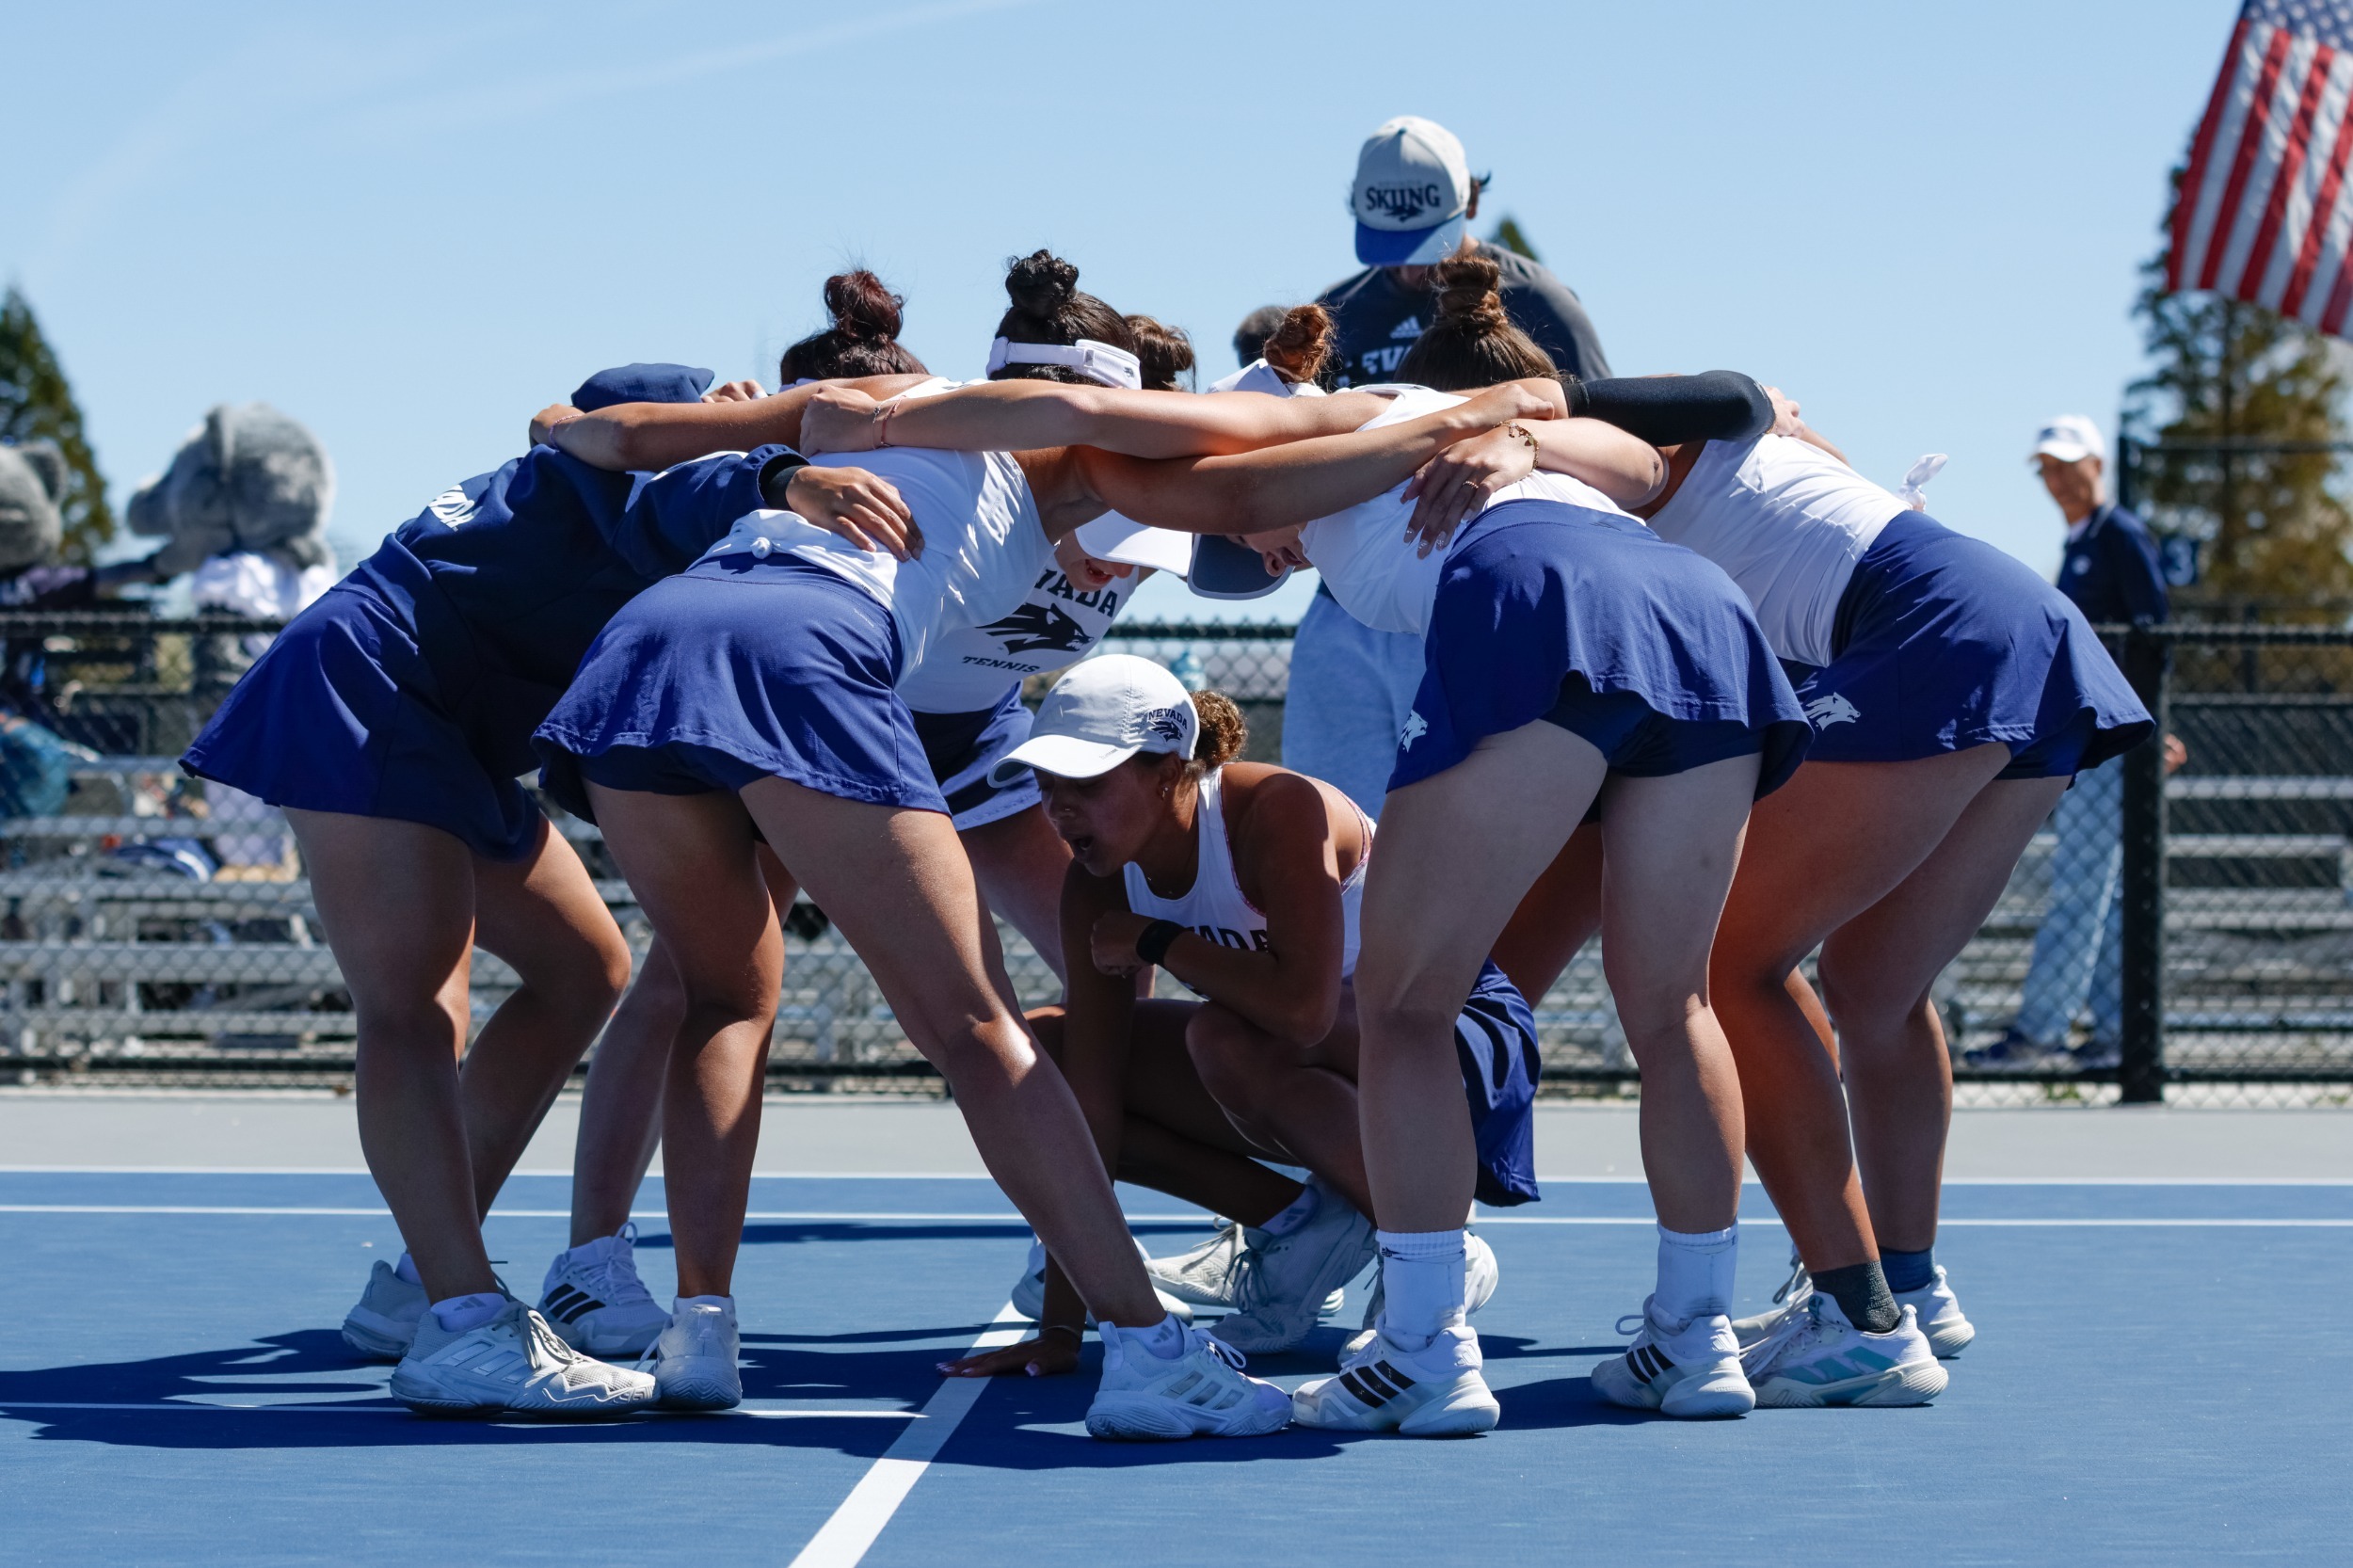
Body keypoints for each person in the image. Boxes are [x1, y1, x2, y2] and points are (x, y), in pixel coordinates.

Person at [527, 249, 1527, 1437]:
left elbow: (611, 433)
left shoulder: (924, 437)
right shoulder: (1037, 439)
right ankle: (1148, 1349)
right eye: (1153, 439)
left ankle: (699, 1332)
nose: (1157, 476)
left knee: (719, 1000)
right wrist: (1468, 414)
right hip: (809, 664)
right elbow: (1251, 468)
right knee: (978, 1029)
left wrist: (631, 432)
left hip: (652, 647)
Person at [828, 285, 1801, 1433]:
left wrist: (884, 418)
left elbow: (1061, 415)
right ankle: (1694, 1339)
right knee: (1674, 1003)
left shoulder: (1314, 427)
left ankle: (1426, 1347)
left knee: (1402, 1006)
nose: (1263, 551)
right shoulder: (1458, 427)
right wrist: (1528, 430)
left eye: (1237, 535)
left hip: (1539, 589)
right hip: (1693, 606)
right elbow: (1666, 454)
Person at [179, 361, 920, 1416]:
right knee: (411, 1013)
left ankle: (415, 1284)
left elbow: (593, 435)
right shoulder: (665, 473)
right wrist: (793, 459)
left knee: (584, 968)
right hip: (370, 689)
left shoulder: (596, 463)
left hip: (450, 727)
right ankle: (461, 1321)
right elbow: (653, 454)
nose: (731, 396)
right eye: (710, 396)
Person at [1426, 361, 2153, 1402]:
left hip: (1939, 633)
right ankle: (1907, 1282)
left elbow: (1624, 421)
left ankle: (1858, 1319)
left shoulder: (1633, 457)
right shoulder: (1757, 470)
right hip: (2020, 629)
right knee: (1873, 987)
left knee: (1726, 965)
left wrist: (1509, 426)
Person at [544, 266, 1212, 1336]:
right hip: (832, 705)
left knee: (1115, 975)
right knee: (801, 997)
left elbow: (1266, 492)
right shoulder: (936, 446)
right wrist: (776, 455)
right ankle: (594, 1259)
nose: (1110, 569)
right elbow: (587, 428)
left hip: (957, 734)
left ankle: (1217, 1226)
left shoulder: (1106, 492)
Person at [957, 657, 1538, 1373]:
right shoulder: (1096, 885)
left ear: (1168, 770)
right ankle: (1303, 1229)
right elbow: (1091, 1106)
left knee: (1232, 1035)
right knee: (1050, 1056)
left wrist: (1160, 941)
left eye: (1086, 784)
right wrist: (1065, 1327)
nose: (1060, 809)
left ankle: (1439, 1249)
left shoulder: (1275, 810)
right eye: (1049, 788)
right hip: (1304, 1062)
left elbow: (1303, 1012)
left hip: (1458, 1044)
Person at [1286, 118, 1612, 818]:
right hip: (1345, 609)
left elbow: (1606, 439)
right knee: (1327, 826)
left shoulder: (1541, 302)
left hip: (1471, 600)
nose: (1408, 268)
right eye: (1390, 247)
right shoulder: (1342, 310)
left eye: (1424, 242)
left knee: (1451, 834)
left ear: (1468, 203)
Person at [1972, 414, 2174, 1070]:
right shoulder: (2089, 539)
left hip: (2114, 741)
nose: (2057, 480)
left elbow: (2152, 635)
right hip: (2105, 740)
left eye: (2067, 465)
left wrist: (2152, 724)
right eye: (2048, 469)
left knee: (2082, 887)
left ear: (2097, 466)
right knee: (2107, 893)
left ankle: (2041, 1031)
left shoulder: (2118, 534)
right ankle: (2118, 1035)